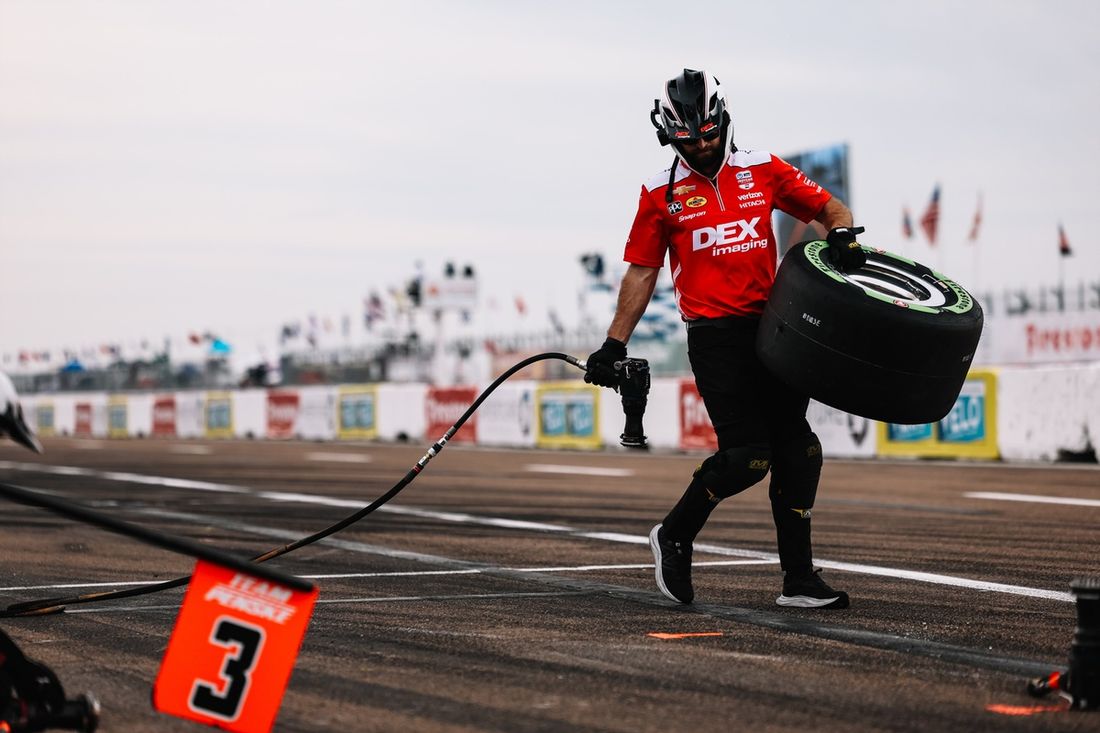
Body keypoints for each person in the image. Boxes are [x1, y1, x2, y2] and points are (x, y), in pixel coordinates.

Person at [585, 69, 865, 609]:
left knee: (800, 451)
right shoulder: (657, 192)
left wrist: (845, 236)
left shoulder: (763, 167)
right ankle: (674, 534)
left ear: (725, 121)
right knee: (747, 457)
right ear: (669, 135)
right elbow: (641, 274)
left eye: (711, 134)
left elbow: (830, 210)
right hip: (715, 338)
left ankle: (799, 581)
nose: (704, 146)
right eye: (690, 139)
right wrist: (613, 344)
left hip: (776, 331)